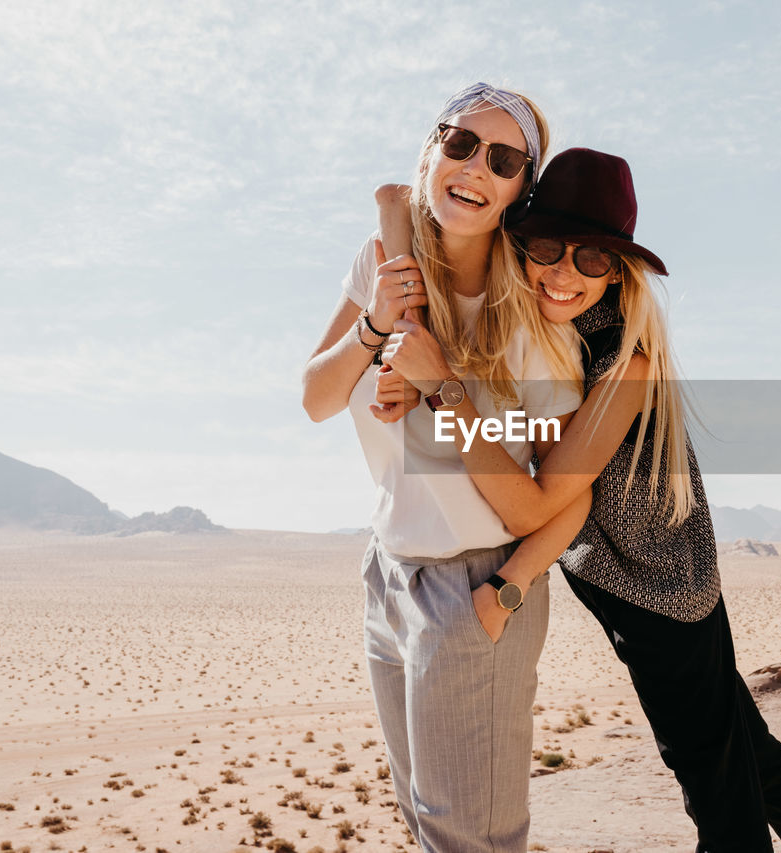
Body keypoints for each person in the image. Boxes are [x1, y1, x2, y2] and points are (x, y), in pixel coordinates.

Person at [380, 148, 781, 852]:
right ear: (521, 243)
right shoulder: (550, 333)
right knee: (750, 756)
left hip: (661, 598)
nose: (566, 273)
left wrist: (444, 390)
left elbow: (534, 500)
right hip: (632, 580)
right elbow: (532, 433)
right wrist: (394, 213)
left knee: (714, 786)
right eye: (548, 247)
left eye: (594, 258)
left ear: (619, 269)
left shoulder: (624, 362)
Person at [301, 83, 584, 853]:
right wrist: (374, 326)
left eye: (503, 159)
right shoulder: (381, 261)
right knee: (428, 824)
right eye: (460, 144)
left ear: (521, 186)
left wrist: (442, 386)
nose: (474, 168)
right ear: (432, 150)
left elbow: (558, 494)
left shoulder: (532, 305)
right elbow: (316, 398)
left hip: (474, 581)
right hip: (389, 573)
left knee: (471, 840)